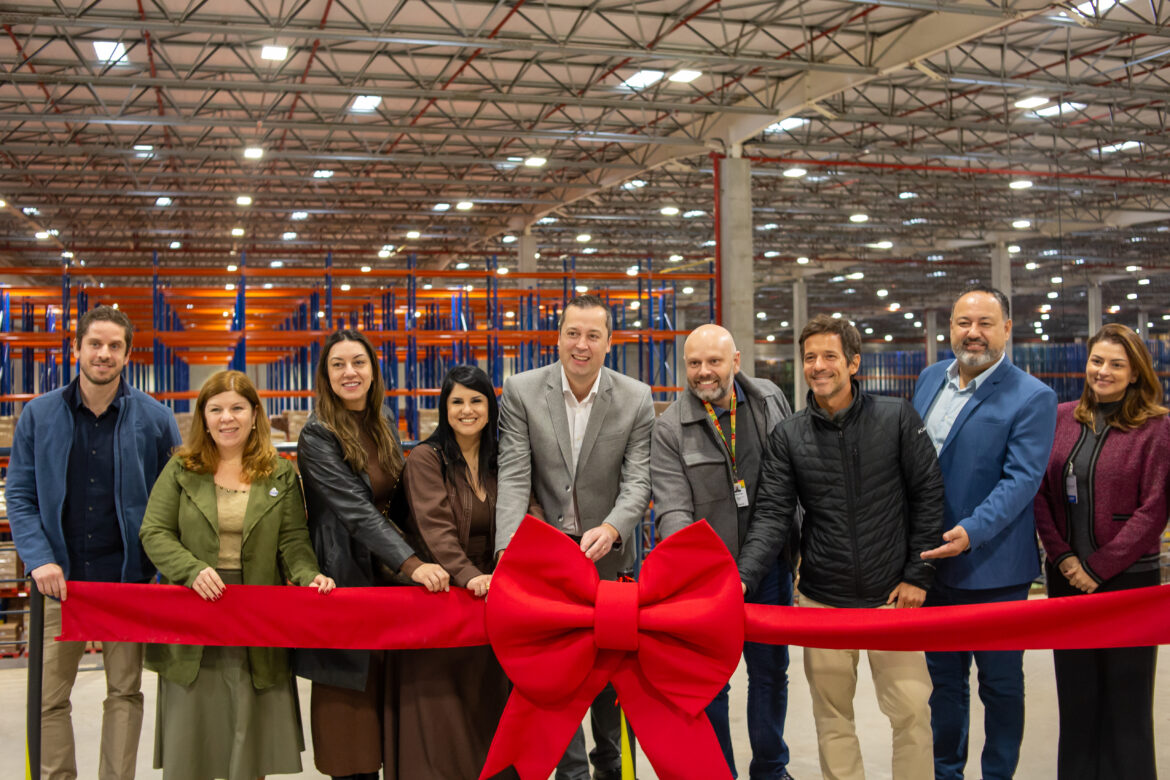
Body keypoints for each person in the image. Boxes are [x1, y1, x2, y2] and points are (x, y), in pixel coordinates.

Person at [752, 314, 943, 780]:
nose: (818, 366)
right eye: (810, 357)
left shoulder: (896, 417)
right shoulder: (789, 435)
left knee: (913, 712)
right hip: (823, 599)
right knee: (833, 719)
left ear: (854, 362)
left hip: (892, 598)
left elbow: (929, 496)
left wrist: (917, 576)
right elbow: (773, 514)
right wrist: (741, 576)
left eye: (830, 356)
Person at [7, 305, 181, 780]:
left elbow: (176, 501)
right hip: (57, 584)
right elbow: (19, 496)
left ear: (127, 354)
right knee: (48, 698)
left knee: (124, 693)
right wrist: (39, 559)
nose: (104, 354)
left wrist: (165, 571)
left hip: (128, 584)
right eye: (95, 344)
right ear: (78, 348)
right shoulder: (39, 415)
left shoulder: (156, 419)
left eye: (115, 346)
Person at [139, 369, 335, 780]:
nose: (226, 418)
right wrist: (190, 570)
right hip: (195, 615)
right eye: (216, 409)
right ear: (203, 417)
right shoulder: (181, 468)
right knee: (193, 740)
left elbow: (293, 543)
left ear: (254, 414)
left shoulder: (279, 473)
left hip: (254, 620)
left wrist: (308, 576)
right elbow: (154, 532)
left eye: (236, 408)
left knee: (249, 741)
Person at [495, 294, 655, 780]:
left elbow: (639, 480)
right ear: (558, 336)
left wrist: (612, 526)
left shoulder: (636, 397)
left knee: (611, 691)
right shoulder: (522, 391)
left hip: (610, 566)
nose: (580, 345)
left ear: (609, 342)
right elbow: (515, 476)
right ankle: (571, 775)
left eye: (592, 335)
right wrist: (507, 553)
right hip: (549, 570)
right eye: (572, 333)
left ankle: (609, 768)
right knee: (557, 686)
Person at [911, 285, 1057, 780]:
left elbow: (1021, 481)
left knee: (1000, 686)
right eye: (963, 323)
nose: (973, 333)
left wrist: (971, 531)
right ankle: (946, 773)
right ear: (950, 327)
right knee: (944, 685)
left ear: (1007, 330)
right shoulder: (930, 379)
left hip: (993, 571)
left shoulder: (1033, 396)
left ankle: (997, 774)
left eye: (985, 324)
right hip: (934, 567)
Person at [292, 329, 449, 780]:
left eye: (358, 362)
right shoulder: (318, 436)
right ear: (325, 375)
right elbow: (357, 513)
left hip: (385, 587)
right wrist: (414, 565)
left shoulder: (379, 425)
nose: (349, 372)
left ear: (373, 371)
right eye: (338, 364)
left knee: (387, 726)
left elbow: (402, 501)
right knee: (350, 732)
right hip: (344, 585)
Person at [650, 323, 797, 780]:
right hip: (707, 581)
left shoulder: (769, 399)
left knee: (771, 673)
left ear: (735, 362)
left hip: (770, 567)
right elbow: (673, 511)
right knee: (711, 684)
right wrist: (699, 576)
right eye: (694, 363)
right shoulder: (670, 426)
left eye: (714, 362)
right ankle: (719, 773)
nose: (703, 373)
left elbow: (794, 479)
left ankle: (770, 769)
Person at [1033, 323, 1169, 780]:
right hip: (1066, 581)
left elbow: (1154, 510)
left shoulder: (1156, 427)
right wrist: (1064, 559)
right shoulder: (1061, 417)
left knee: (1127, 705)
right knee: (1076, 700)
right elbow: (1041, 496)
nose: (1103, 371)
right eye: (1097, 361)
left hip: (1128, 585)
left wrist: (1099, 566)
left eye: (1116, 364)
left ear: (1135, 374)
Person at [401, 364, 517, 780]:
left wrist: (513, 564)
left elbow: (526, 506)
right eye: (457, 402)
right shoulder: (425, 459)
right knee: (444, 724)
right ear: (443, 408)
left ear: (490, 406)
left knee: (491, 715)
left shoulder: (502, 459)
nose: (467, 410)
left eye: (476, 400)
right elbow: (435, 530)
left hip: (494, 606)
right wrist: (470, 576)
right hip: (445, 602)